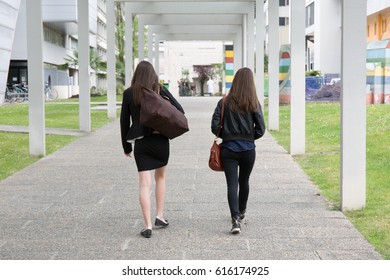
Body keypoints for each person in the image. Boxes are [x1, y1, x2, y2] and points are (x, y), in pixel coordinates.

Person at [120, 61, 183, 238]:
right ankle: (159, 216)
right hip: (161, 141)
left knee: (144, 184)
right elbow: (179, 110)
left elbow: (124, 122)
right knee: (160, 177)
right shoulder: (159, 90)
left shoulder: (129, 93)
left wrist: (126, 146)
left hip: (141, 143)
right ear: (153, 75)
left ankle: (147, 225)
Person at [211, 67, 265, 234]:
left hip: (228, 149)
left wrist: (228, 135)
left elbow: (214, 126)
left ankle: (235, 221)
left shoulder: (224, 102)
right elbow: (261, 129)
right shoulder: (254, 102)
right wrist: (248, 137)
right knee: (245, 181)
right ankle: (241, 213)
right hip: (248, 149)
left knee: (232, 184)